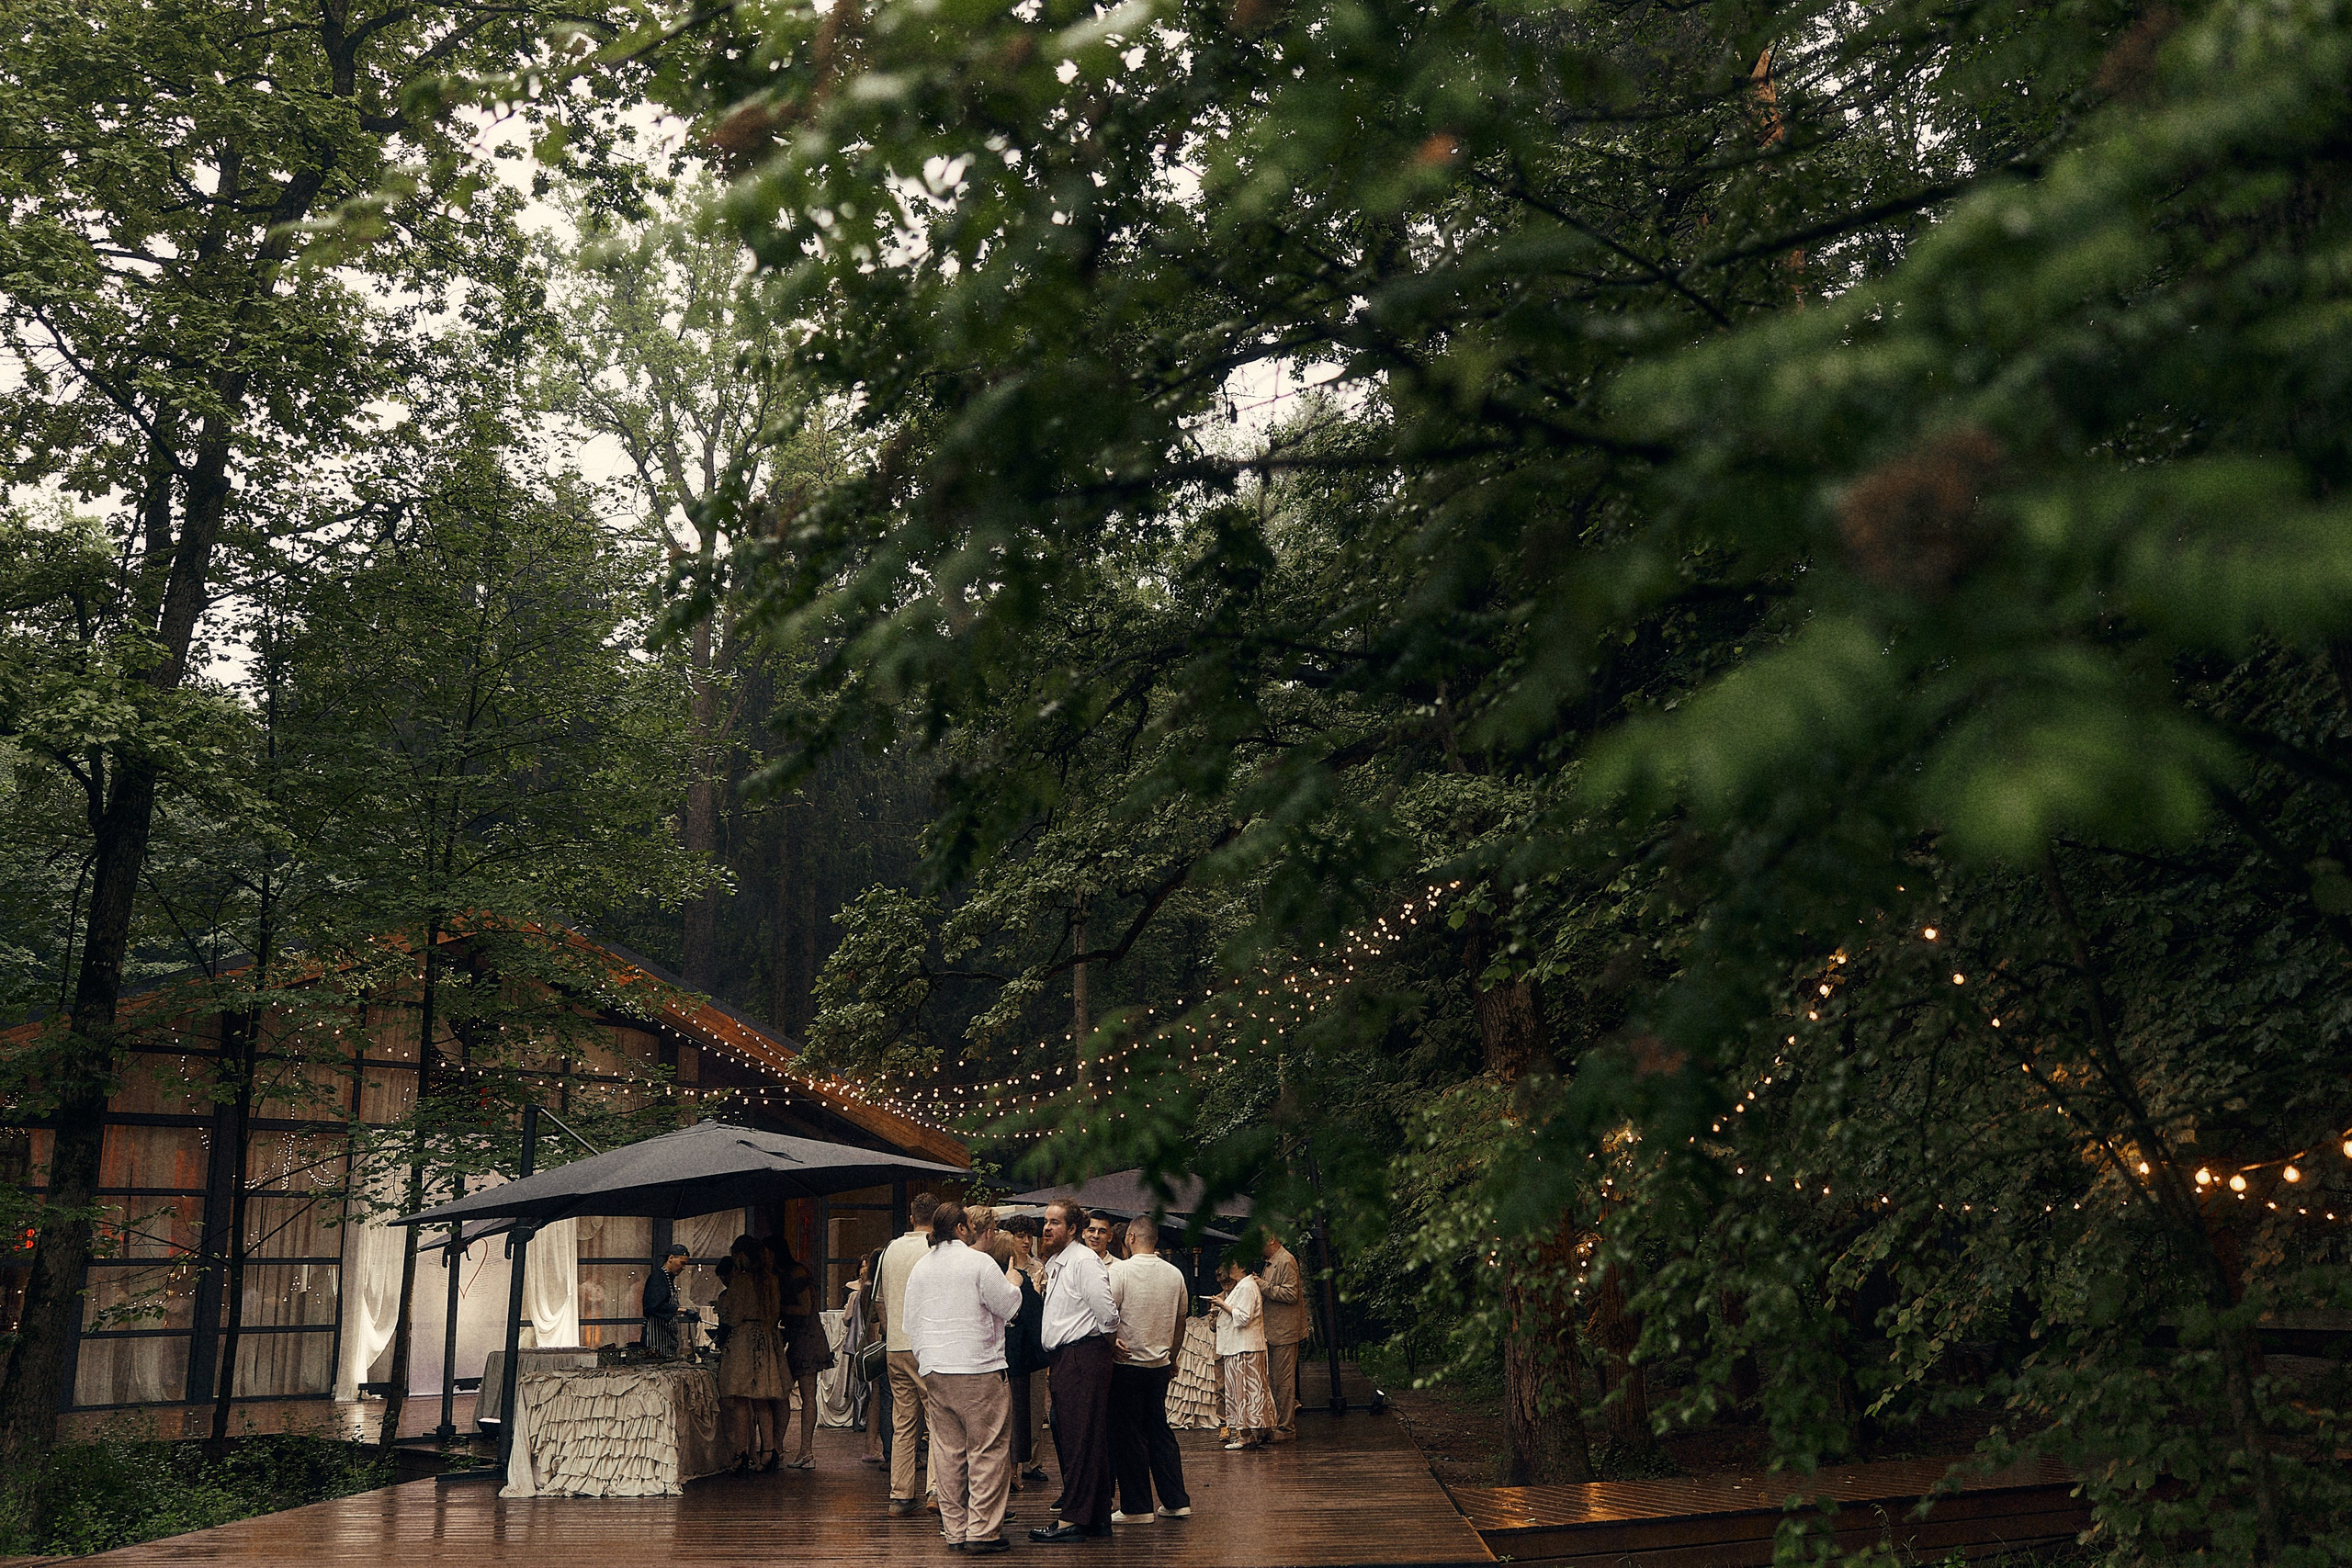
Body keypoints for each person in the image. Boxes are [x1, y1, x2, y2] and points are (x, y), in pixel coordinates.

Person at [902, 1200, 1023, 1554]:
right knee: (987, 1452)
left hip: (936, 1370)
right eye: (968, 1224)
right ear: (959, 1228)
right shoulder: (979, 1263)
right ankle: (982, 1531)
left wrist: (928, 1357)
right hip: (979, 1367)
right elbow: (1010, 1306)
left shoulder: (921, 1268)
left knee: (948, 1452)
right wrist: (1013, 1282)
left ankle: (954, 1530)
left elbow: (910, 1323)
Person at [1031, 1200, 1118, 1542]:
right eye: (1046, 1221)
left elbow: (1108, 1315)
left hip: (1083, 1355)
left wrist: (1098, 1347)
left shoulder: (1083, 1262)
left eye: (1055, 1222)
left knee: (1079, 1438)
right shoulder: (1059, 1263)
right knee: (1077, 1435)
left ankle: (1073, 1519)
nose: (1047, 1228)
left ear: (1073, 1229)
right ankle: (1096, 1516)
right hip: (1070, 1358)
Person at [1107, 1220, 1192, 1522]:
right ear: (1155, 1240)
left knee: (1129, 1435)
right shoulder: (1174, 1274)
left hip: (1127, 1363)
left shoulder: (1120, 1272)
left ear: (1130, 1237)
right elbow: (1181, 1320)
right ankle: (1176, 1499)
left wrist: (1110, 1344)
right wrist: (1173, 1354)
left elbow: (1107, 1316)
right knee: (1159, 1428)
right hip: (1160, 1363)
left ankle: (1136, 1506)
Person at [878, 1191, 941, 1516]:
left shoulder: (891, 1249)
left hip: (896, 1346)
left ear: (911, 1217)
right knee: (937, 1421)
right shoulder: (935, 1249)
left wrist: (891, 1332)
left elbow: (879, 1300)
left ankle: (900, 1494)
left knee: (903, 1422)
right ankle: (934, 1489)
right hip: (927, 1346)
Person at [718, 1234, 790, 1472]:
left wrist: (724, 1307)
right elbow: (775, 1313)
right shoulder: (771, 1279)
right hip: (766, 1339)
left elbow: (732, 1316)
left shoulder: (741, 1282)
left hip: (743, 1341)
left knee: (740, 1399)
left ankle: (741, 1453)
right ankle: (769, 1451)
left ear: (741, 1257)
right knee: (762, 1400)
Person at [770, 1234, 834, 1469]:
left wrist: (777, 1308)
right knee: (786, 1392)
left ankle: (804, 1450)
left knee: (803, 1394)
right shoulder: (789, 1273)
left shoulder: (795, 1273)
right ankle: (783, 1447)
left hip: (805, 1339)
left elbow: (805, 1307)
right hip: (799, 1337)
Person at [1001, 1215, 1050, 1486]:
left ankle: (1033, 1462)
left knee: (1035, 1404)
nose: (1025, 1241)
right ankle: (1013, 1466)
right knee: (1013, 1406)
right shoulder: (1001, 1268)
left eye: (1028, 1236)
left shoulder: (1039, 1268)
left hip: (1035, 1341)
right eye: (1019, 1235)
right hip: (1011, 1344)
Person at [1208, 1258, 1272, 1450]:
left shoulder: (1246, 1286)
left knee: (1243, 1390)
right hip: (1240, 1346)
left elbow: (1243, 1317)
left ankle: (1245, 1434)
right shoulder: (1244, 1286)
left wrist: (1222, 1304)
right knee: (1247, 1390)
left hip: (1244, 1347)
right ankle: (1254, 1431)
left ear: (1242, 1268)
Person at [1260, 1229, 1308, 1440]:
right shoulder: (1271, 1261)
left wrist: (1262, 1285)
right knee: (1275, 1380)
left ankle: (1287, 1429)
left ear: (1272, 1238)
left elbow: (1291, 1294)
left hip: (1285, 1332)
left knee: (1284, 1381)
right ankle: (1279, 1423)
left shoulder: (1286, 1260)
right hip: (1273, 1331)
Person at [642, 1243, 691, 1356]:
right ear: (671, 1258)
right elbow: (654, 1306)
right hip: (656, 1339)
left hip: (667, 1336)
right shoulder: (658, 1278)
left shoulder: (668, 1278)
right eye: (682, 1263)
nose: (683, 1268)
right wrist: (683, 1310)